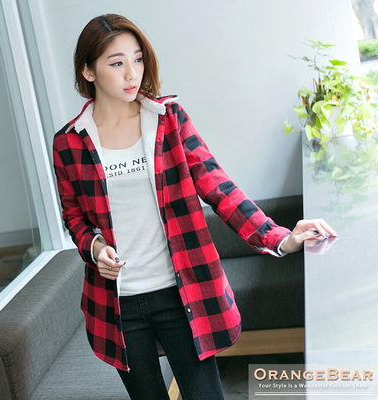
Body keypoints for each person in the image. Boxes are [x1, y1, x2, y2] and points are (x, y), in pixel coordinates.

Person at [53, 13, 337, 400]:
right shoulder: (69, 142)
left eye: (137, 59)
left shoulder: (167, 120)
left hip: (180, 294)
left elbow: (218, 186)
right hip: (119, 305)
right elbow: (73, 216)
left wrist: (280, 237)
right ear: (88, 71)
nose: (131, 73)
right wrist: (95, 246)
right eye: (116, 63)